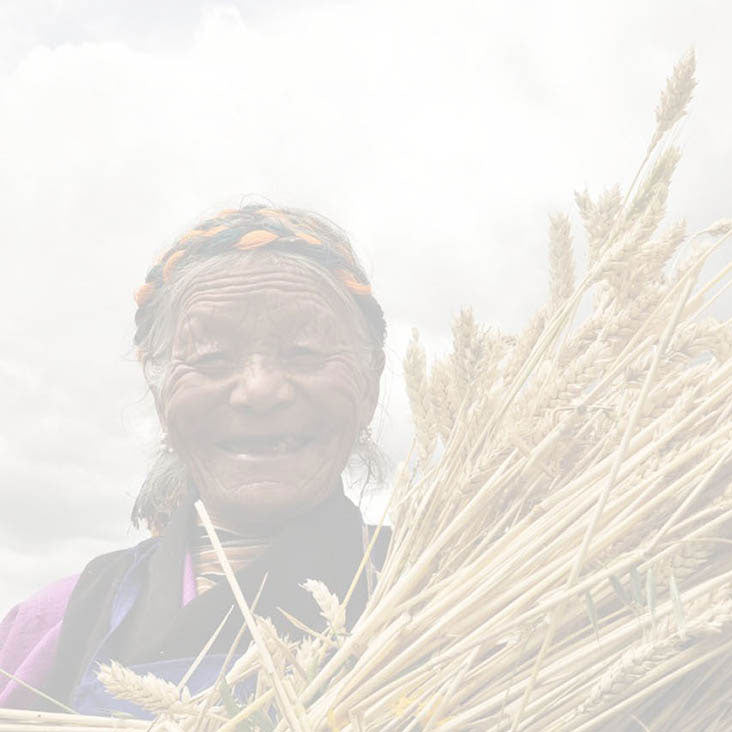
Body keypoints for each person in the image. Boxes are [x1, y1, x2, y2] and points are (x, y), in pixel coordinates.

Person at [0, 205, 391, 716]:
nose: (259, 390)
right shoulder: (59, 619)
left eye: (305, 351)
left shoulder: (456, 592)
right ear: (160, 391)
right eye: (210, 358)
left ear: (370, 381)